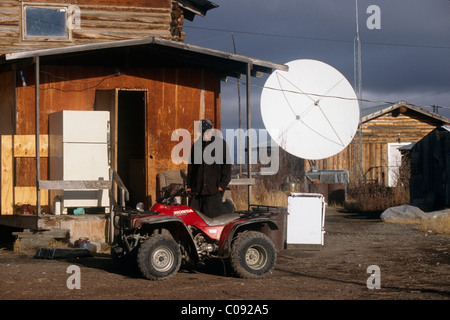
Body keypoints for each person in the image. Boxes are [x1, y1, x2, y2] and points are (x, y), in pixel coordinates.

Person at [186, 119, 232, 218]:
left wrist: (221, 186)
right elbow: (191, 168)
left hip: (213, 192)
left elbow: (227, 167)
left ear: (211, 130)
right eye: (203, 132)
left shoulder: (220, 144)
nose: (206, 134)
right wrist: (189, 186)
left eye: (208, 131)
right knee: (194, 221)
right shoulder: (196, 146)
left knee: (212, 223)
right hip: (196, 192)